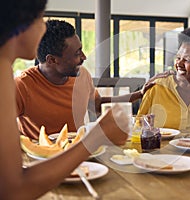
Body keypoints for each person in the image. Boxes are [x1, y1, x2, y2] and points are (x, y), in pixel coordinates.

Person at [0, 0, 129, 199]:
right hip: (40, 173)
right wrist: (97, 136)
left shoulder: (6, 70)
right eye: (40, 19)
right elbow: (12, 188)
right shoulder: (16, 83)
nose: (43, 28)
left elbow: (94, 103)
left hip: (72, 169)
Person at [15, 19, 154, 140]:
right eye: (77, 53)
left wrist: (139, 94)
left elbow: (98, 104)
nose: (84, 57)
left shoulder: (83, 76)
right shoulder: (22, 86)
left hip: (78, 155)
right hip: (38, 160)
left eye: (81, 49)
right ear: (52, 60)